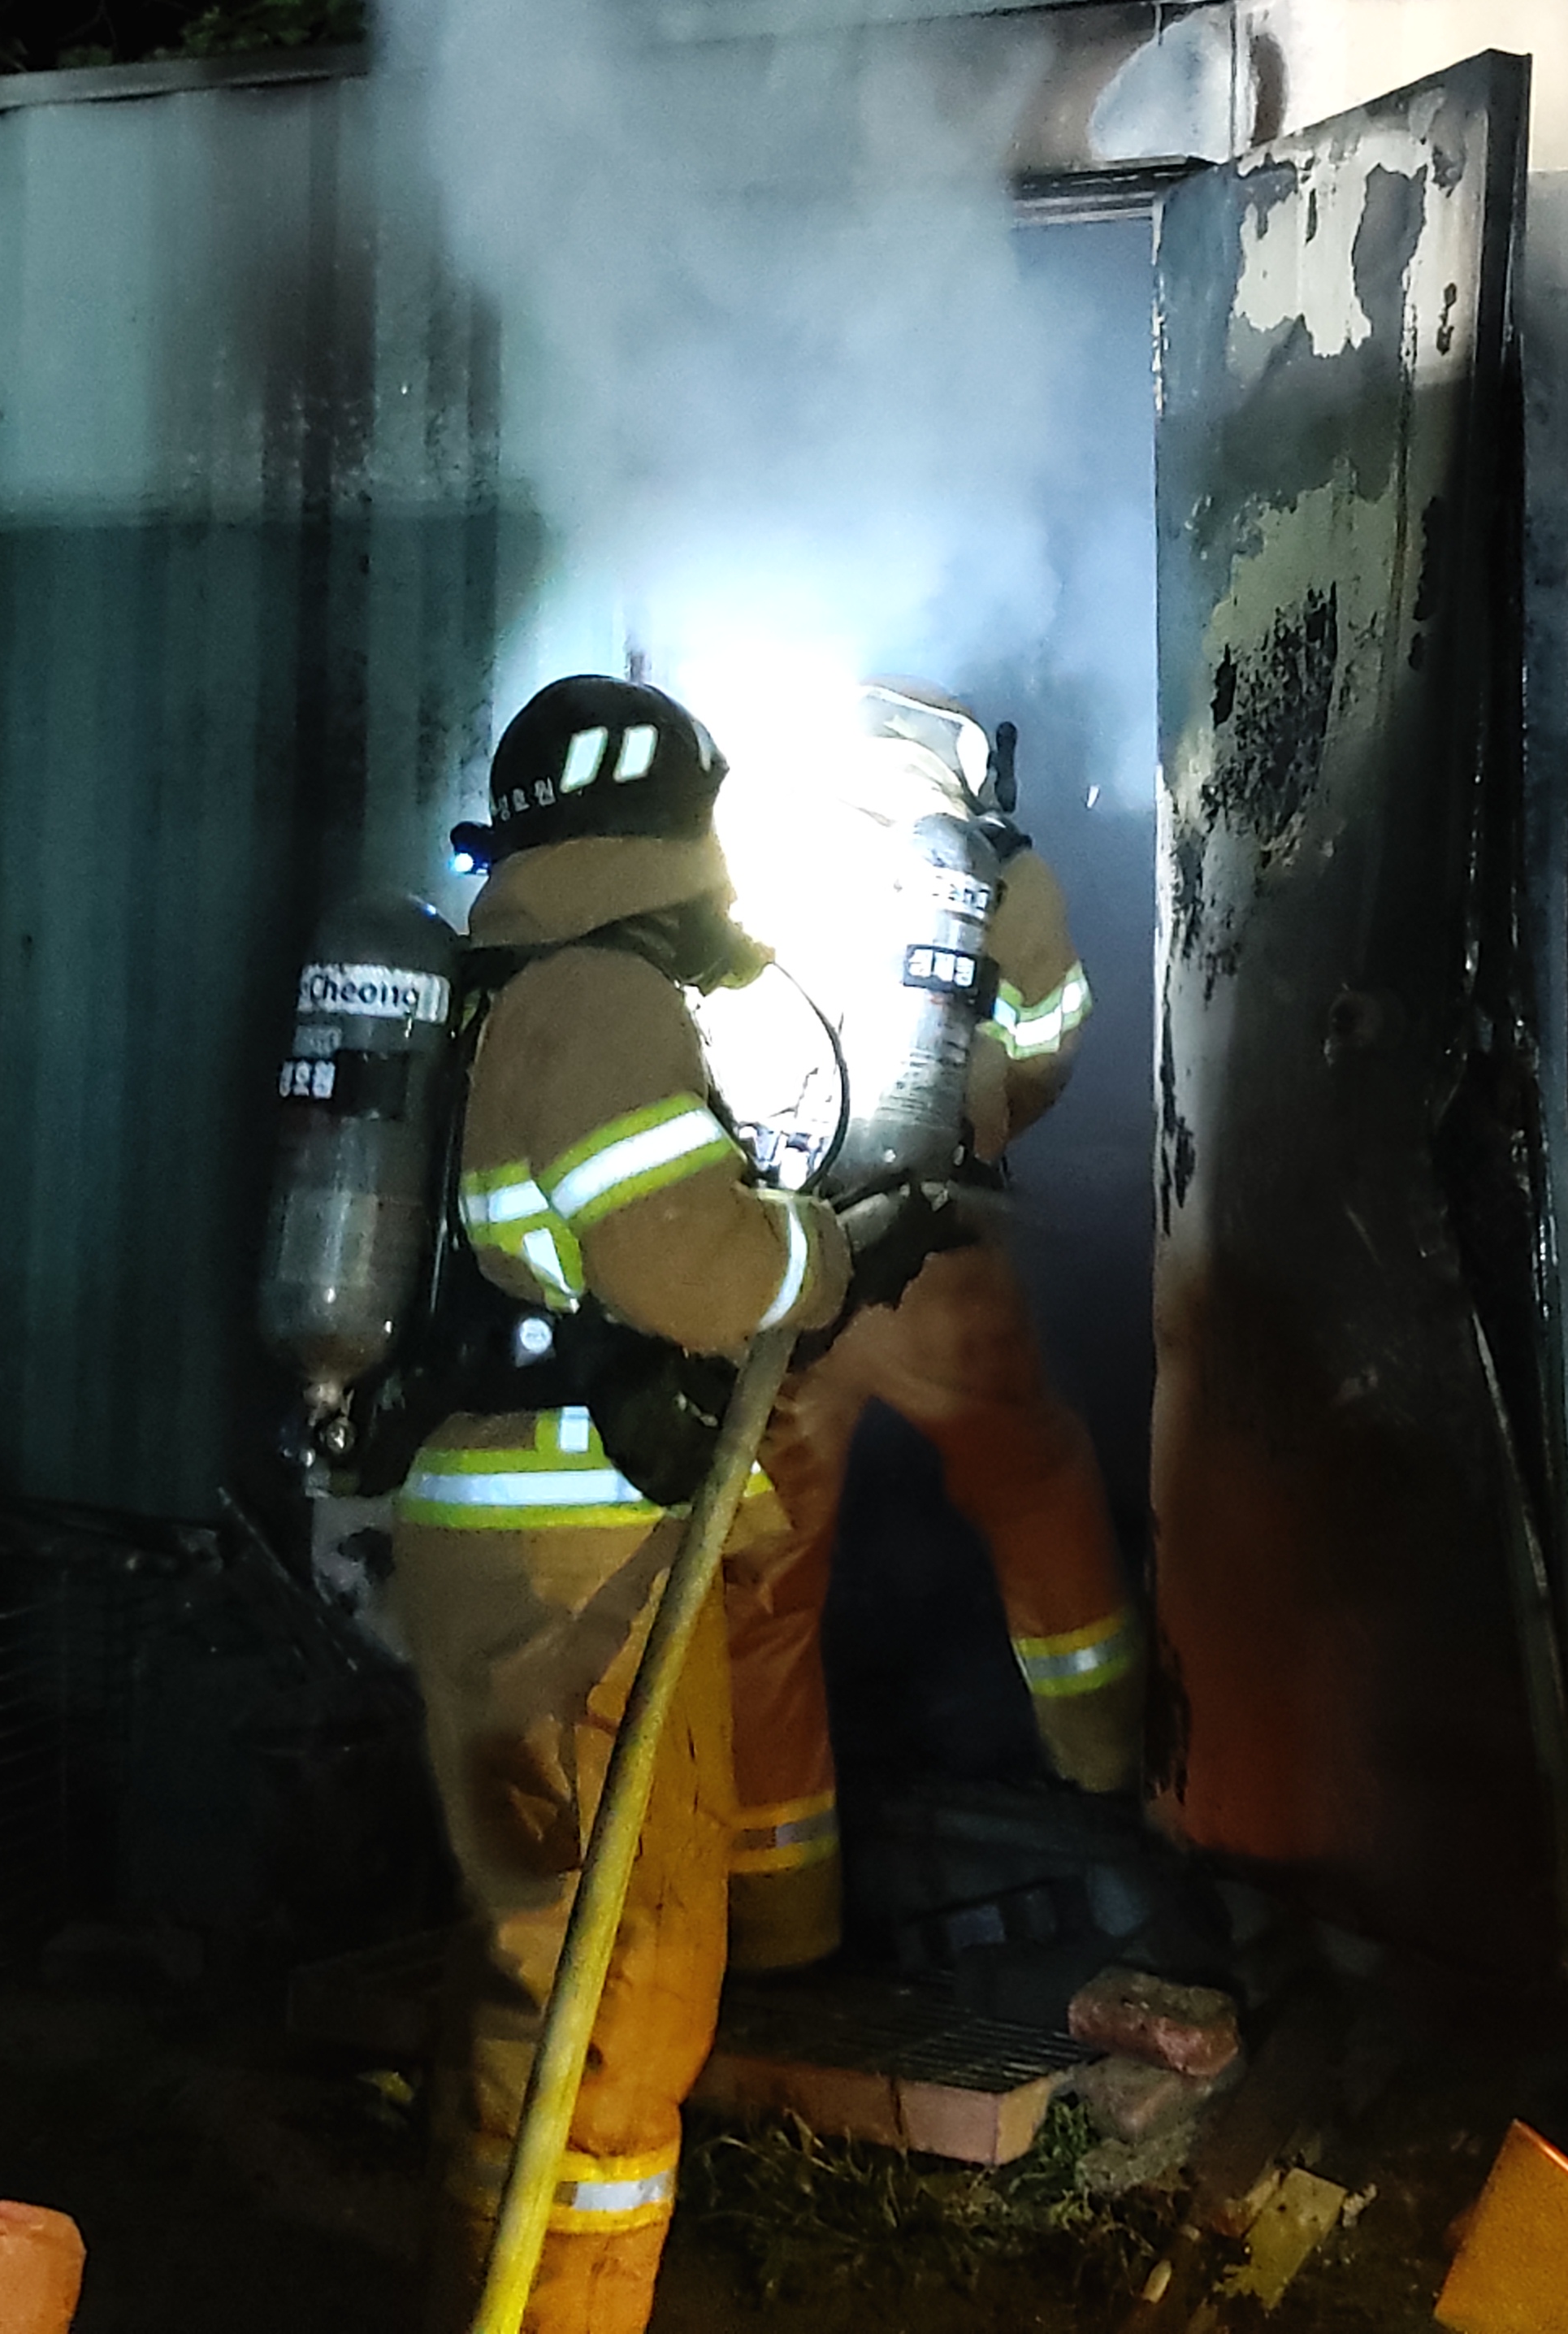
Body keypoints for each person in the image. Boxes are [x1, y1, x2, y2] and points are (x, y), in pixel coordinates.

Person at [392, 673, 945, 2334]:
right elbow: (694, 1268)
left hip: (494, 1547)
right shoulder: (599, 1001)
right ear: (671, 834)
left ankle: (485, 2290)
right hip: (588, 1569)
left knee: (530, 1957)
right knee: (613, 1989)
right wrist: (834, 1251)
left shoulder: (490, 990)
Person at [721, 683, 1141, 1977]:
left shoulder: (751, 842)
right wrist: (983, 1117)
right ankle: (1107, 1767)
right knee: (1035, 1480)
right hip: (937, 1257)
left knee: (762, 1579)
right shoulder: (991, 866)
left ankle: (777, 1917)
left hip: (785, 1263)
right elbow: (1056, 1029)